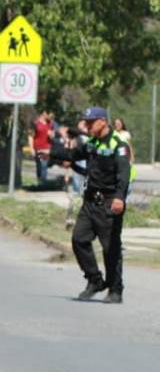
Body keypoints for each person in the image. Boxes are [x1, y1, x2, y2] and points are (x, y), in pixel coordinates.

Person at [49, 107, 131, 303]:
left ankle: (115, 289)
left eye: (90, 122)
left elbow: (124, 173)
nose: (87, 126)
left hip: (110, 202)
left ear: (103, 121)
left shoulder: (118, 145)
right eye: (86, 122)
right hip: (90, 202)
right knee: (79, 239)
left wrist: (120, 197)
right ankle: (94, 279)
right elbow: (72, 154)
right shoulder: (91, 144)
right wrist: (50, 151)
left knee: (110, 247)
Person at [32, 111, 54, 184]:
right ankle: (39, 180)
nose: (50, 115)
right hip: (38, 147)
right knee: (39, 166)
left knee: (44, 165)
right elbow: (31, 136)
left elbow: (52, 136)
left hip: (46, 147)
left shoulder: (50, 124)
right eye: (48, 114)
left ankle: (43, 182)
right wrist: (31, 148)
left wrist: (51, 135)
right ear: (44, 114)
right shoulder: (36, 123)